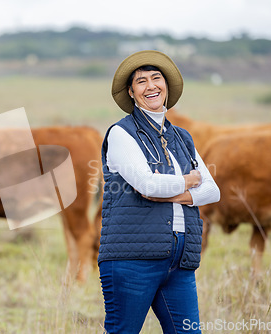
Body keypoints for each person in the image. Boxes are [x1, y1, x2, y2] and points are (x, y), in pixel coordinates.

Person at [98, 50, 221, 334]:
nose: (151, 86)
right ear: (131, 92)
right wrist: (189, 180)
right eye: (141, 81)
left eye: (157, 78)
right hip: (132, 259)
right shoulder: (121, 133)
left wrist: (174, 191)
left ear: (166, 86)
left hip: (180, 258)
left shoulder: (182, 137)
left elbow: (212, 190)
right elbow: (148, 185)